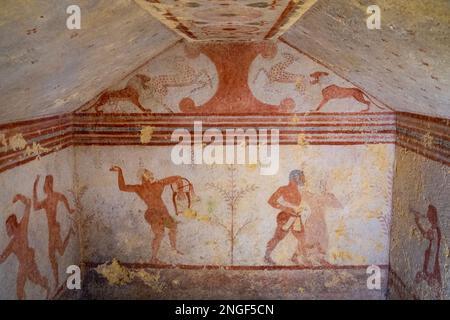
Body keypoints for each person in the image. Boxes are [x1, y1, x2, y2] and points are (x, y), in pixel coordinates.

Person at [110, 166, 188, 264]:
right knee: (159, 233)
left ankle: (173, 250)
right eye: (148, 173)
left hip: (163, 213)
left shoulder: (159, 184)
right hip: (152, 213)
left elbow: (177, 178)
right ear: (143, 177)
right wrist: (120, 171)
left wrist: (180, 192)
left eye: (150, 173)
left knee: (173, 227)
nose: (151, 174)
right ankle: (153, 259)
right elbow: (122, 187)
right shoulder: (139, 188)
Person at [0, 194, 50, 299]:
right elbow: (2, 257)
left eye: (7, 227)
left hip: (30, 263)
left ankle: (47, 287)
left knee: (37, 280)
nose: (7, 230)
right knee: (19, 290)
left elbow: (28, 204)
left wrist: (18, 196)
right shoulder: (12, 244)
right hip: (23, 266)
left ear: (12, 225)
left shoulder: (22, 228)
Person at [33, 175, 75, 290]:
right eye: (44, 184)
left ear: (50, 184)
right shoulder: (52, 198)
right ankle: (70, 232)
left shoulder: (49, 200)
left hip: (53, 229)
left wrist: (34, 186)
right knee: (60, 251)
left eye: (45, 184)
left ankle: (56, 282)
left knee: (52, 255)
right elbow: (36, 207)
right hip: (54, 228)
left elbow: (35, 206)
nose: (44, 186)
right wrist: (69, 209)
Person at [265, 170, 308, 265]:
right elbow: (271, 201)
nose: (302, 180)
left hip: (296, 217)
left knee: (302, 238)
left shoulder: (299, 191)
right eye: (300, 177)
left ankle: (295, 257)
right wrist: (285, 208)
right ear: (294, 178)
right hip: (286, 217)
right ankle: (267, 256)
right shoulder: (283, 189)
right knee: (278, 237)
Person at [412, 205, 442, 292]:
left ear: (432, 215)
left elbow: (425, 235)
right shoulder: (435, 228)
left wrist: (417, 222)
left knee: (430, 280)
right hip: (431, 259)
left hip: (431, 261)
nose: (427, 216)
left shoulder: (435, 229)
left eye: (429, 214)